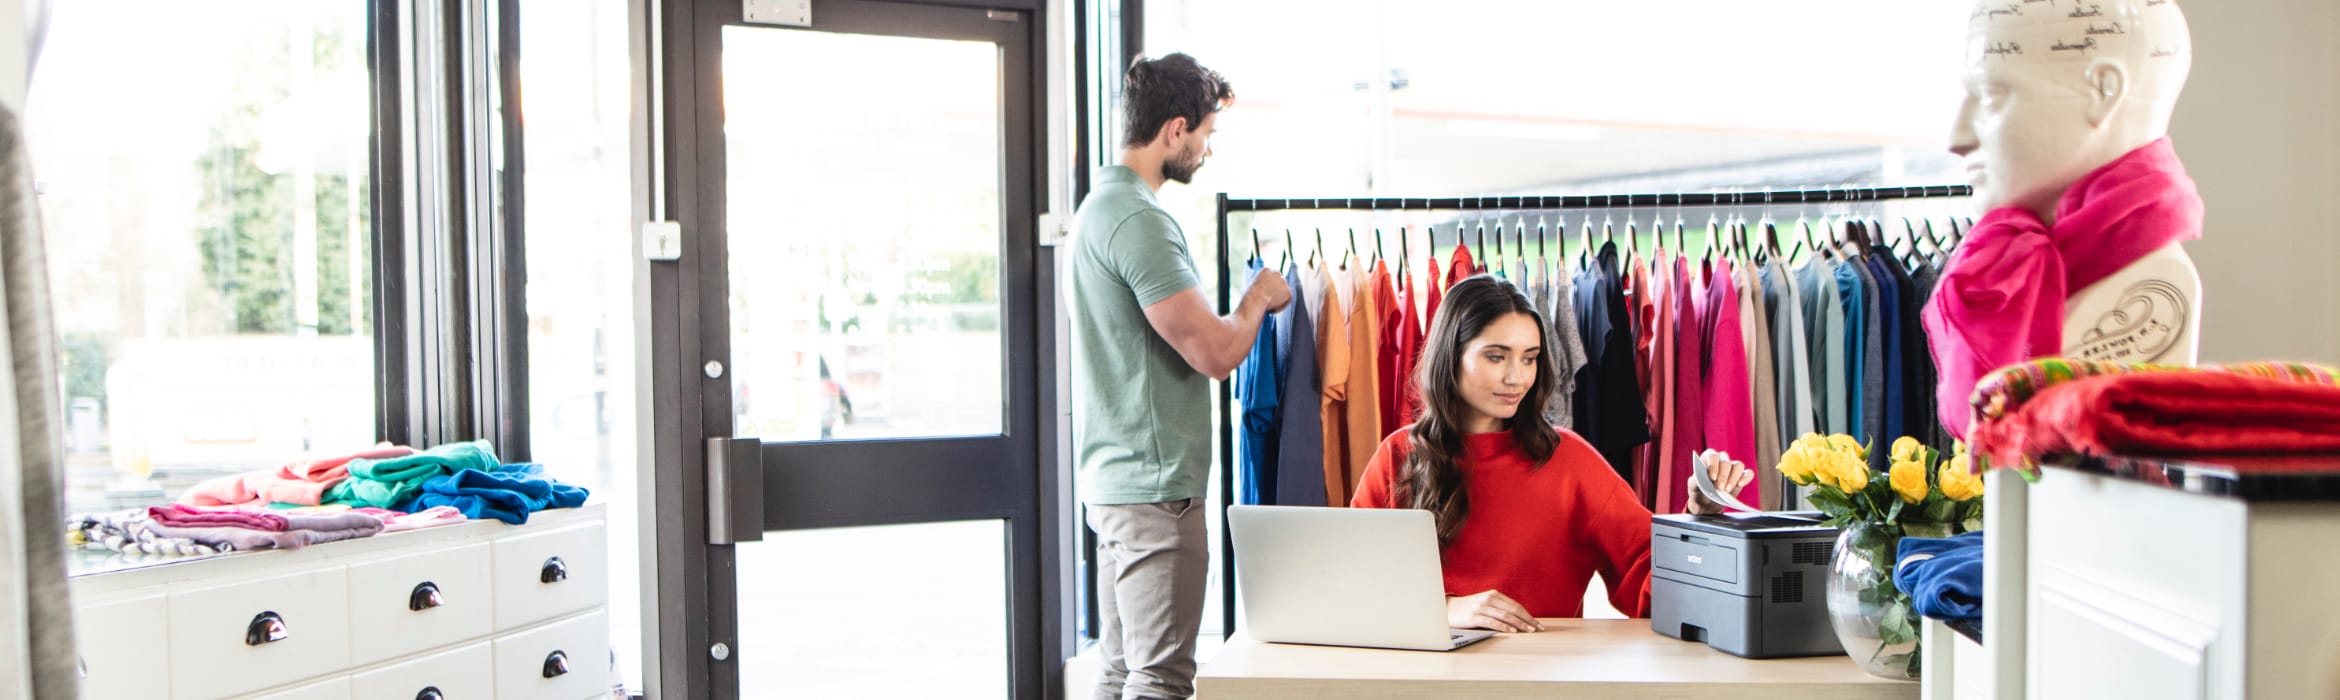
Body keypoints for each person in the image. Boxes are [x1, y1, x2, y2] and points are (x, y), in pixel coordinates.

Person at [1353, 275, 1749, 633]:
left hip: (1542, 679)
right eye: (1496, 356)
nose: (1517, 377)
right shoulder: (1397, 456)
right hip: (1420, 681)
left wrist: (1700, 518)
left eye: (1530, 357)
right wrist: (1443, 609)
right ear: (1450, 356)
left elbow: (1651, 581)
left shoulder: (1571, 460)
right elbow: (1350, 587)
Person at [1070, 53, 1287, 700]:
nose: (1207, 151)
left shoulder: (1097, 209)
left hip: (1118, 481)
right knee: (1161, 679)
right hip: (1156, 488)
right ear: (1174, 130)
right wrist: (1257, 298)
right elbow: (1214, 353)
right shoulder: (1139, 221)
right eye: (1206, 136)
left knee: (1120, 670)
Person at [1927, 0, 2205, 438]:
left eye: (1993, 95)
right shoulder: (2011, 267)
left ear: (2102, 91)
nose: (1957, 138)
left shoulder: (2156, 281)